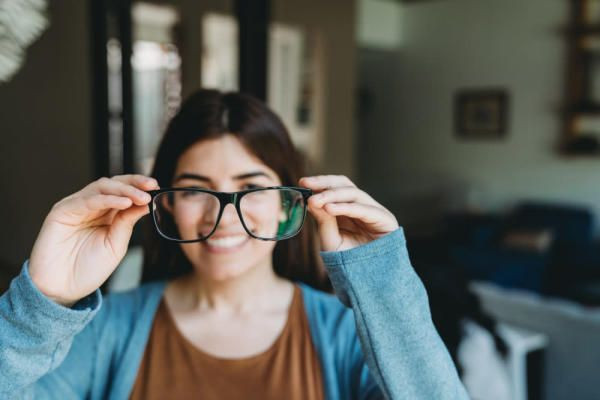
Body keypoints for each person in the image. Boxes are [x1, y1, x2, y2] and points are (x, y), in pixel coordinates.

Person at [0, 90, 468, 399]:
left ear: (288, 204)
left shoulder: (345, 336)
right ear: (164, 205)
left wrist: (383, 284)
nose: (221, 216)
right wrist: (41, 304)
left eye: (251, 188)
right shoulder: (106, 331)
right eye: (192, 189)